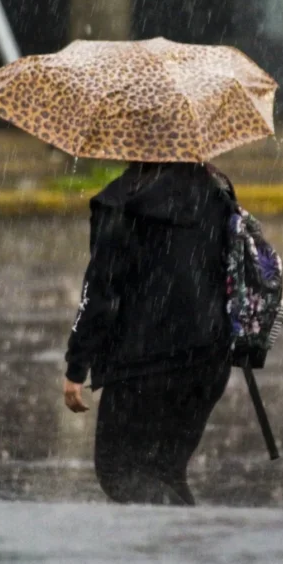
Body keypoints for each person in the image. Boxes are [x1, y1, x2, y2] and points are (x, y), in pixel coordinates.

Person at [62, 160, 233, 506]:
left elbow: (100, 292)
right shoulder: (217, 192)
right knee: (166, 471)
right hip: (209, 360)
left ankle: (170, 546)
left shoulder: (122, 200)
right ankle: (183, 546)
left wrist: (76, 366)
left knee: (118, 470)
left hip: (143, 362)